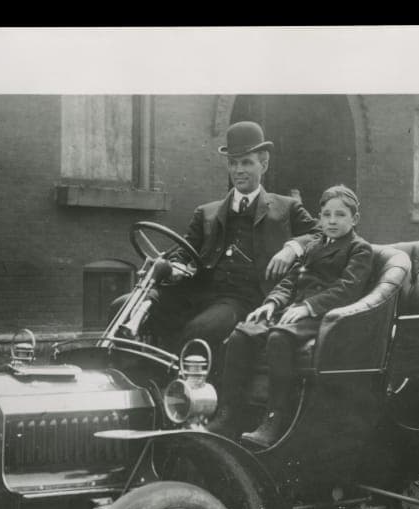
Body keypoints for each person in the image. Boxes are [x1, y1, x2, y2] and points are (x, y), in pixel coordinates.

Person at [110, 121, 320, 359]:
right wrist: (175, 268)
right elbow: (183, 253)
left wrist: (292, 248)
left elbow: (321, 234)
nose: (238, 170)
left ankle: (184, 390)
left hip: (243, 300)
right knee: (123, 307)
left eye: (246, 162)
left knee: (200, 330)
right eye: (233, 163)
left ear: (264, 164)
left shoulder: (286, 207)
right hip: (197, 293)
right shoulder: (207, 212)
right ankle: (134, 382)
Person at [207, 184, 373, 449]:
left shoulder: (359, 249)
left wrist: (308, 307)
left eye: (340, 215)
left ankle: (275, 419)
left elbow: (347, 289)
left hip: (325, 317)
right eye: (326, 214)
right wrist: (272, 303)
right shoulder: (314, 245)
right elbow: (291, 280)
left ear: (355, 219)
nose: (331, 220)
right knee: (242, 332)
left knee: (279, 338)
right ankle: (229, 415)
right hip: (293, 311)